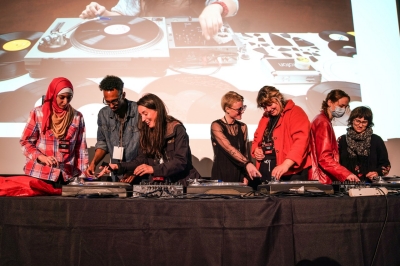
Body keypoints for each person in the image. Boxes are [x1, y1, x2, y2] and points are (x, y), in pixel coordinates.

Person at [108, 93, 200, 185]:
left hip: (183, 183)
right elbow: (141, 160)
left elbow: (180, 161)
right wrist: (118, 166)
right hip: (161, 184)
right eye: (141, 115)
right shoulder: (146, 131)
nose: (143, 119)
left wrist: (153, 169)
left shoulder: (177, 129)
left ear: (157, 110)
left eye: (145, 113)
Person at [20, 77, 89, 186]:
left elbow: (80, 148)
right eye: (62, 97)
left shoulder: (77, 116)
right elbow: (25, 142)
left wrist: (82, 175)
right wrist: (41, 157)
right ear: (53, 94)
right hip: (40, 173)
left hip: (65, 176)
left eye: (69, 97)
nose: (65, 101)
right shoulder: (38, 113)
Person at [79, 0, 239, 40]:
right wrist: (103, 13)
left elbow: (233, 4)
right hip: (151, 46)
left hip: (196, 48)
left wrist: (215, 7)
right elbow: (122, 18)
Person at [85, 75, 140, 181]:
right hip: (117, 174)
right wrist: (93, 163)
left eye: (115, 101)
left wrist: (134, 171)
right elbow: (102, 143)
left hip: (138, 173)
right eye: (107, 102)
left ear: (123, 95)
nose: (111, 106)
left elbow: (147, 148)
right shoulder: (103, 114)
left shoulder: (138, 112)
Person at [251, 86, 311, 182]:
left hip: (291, 173)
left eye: (270, 104)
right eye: (264, 107)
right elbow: (256, 139)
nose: (268, 109)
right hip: (267, 171)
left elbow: (301, 142)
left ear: (278, 98)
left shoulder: (295, 112)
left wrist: (286, 164)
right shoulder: (265, 117)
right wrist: (256, 150)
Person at [309, 89, 360, 184]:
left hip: (322, 177)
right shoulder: (323, 122)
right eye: (341, 106)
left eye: (345, 106)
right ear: (329, 102)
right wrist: (346, 174)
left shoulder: (323, 120)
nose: (343, 110)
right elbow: (324, 157)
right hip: (322, 178)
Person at [210, 91, 261, 183]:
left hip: (239, 173)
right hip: (222, 173)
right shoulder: (216, 125)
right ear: (227, 109)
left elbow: (245, 152)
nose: (242, 111)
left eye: (243, 107)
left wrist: (246, 175)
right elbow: (228, 147)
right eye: (239, 109)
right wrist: (248, 164)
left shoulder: (243, 126)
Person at [338, 106, 390, 182]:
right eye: (358, 121)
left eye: (364, 122)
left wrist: (377, 173)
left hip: (371, 185)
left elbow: (385, 165)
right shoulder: (341, 140)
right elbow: (335, 164)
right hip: (346, 185)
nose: (360, 125)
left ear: (368, 123)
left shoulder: (376, 140)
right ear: (352, 120)